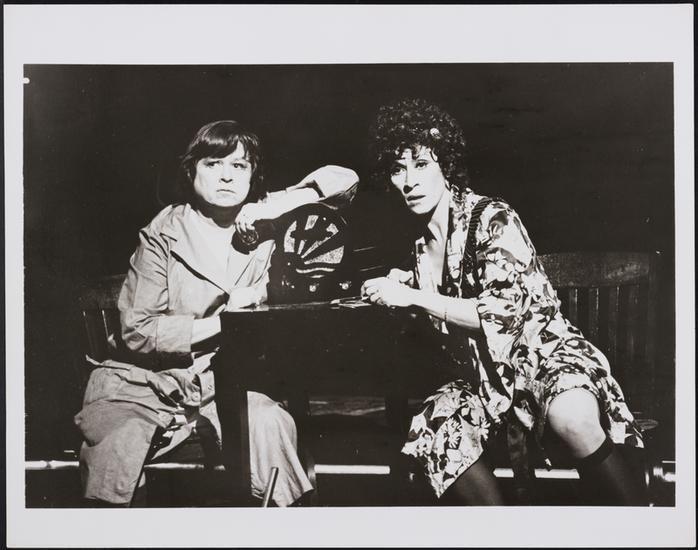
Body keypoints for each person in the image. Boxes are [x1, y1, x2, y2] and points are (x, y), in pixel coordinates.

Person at [360, 98, 647, 505]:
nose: (409, 181)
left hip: (544, 357)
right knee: (435, 426)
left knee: (572, 417)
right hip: (486, 379)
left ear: (445, 165)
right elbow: (444, 314)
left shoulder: (493, 218)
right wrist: (404, 284)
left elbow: (499, 314)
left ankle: (643, 519)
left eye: (421, 164)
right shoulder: (419, 248)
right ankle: (502, 530)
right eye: (397, 168)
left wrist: (412, 296)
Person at [74, 120, 358, 507]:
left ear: (253, 175)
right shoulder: (163, 232)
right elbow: (137, 331)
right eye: (213, 164)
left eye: (239, 166)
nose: (227, 176)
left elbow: (346, 180)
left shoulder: (266, 221)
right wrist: (228, 322)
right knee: (117, 453)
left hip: (226, 385)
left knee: (270, 425)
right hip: (142, 386)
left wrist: (276, 204)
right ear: (191, 170)